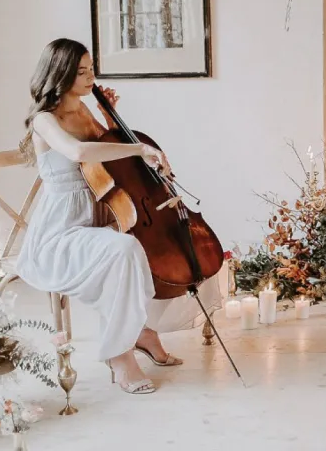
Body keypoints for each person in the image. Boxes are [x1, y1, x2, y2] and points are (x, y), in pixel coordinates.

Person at [18, 38, 221, 395]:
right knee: (124, 250)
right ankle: (119, 354)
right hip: (61, 234)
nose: (90, 76)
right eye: (80, 71)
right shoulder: (44, 121)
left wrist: (111, 117)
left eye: (91, 68)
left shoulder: (84, 110)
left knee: (161, 242)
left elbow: (111, 155)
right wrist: (140, 147)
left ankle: (141, 329)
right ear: (60, 74)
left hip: (99, 218)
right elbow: (80, 150)